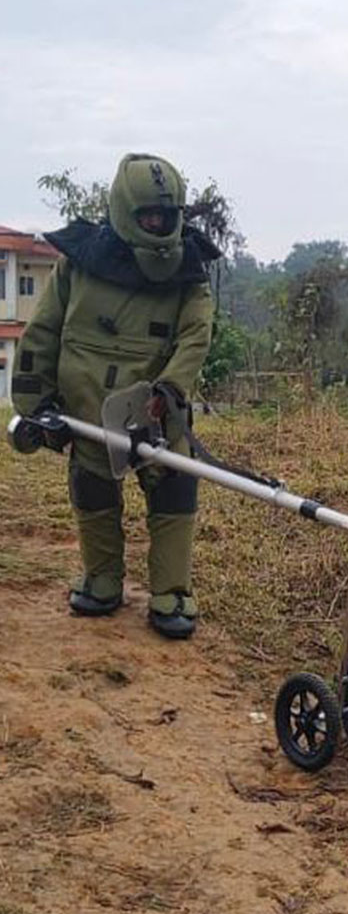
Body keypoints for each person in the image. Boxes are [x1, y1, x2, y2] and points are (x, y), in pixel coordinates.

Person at [11, 153, 218, 639]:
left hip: (157, 413)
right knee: (94, 489)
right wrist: (32, 400)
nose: (158, 224)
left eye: (166, 217)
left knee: (174, 493)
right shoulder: (78, 264)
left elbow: (195, 336)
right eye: (148, 216)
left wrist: (170, 387)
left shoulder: (189, 273)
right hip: (88, 410)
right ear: (126, 212)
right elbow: (43, 331)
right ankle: (103, 579)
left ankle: (172, 591)